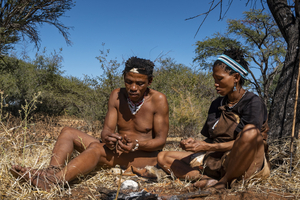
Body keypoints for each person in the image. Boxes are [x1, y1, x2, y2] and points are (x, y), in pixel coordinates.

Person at [10, 56, 169, 190]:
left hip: (145, 156)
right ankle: (52, 172)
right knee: (68, 132)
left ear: (150, 81)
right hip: (118, 150)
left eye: (140, 83)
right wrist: (109, 139)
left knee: (96, 149)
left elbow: (160, 141)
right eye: (129, 82)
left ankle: (54, 183)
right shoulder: (116, 95)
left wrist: (136, 144)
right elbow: (106, 131)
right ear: (124, 78)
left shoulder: (158, 100)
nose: (133, 88)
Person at [157, 48, 270, 191]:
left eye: (220, 79)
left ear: (236, 77)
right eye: (214, 79)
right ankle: (208, 179)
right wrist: (195, 143)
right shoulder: (217, 104)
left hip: (244, 162)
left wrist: (207, 147)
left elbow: (247, 140)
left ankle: (225, 182)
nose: (216, 83)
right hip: (215, 159)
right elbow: (211, 140)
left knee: (251, 132)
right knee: (163, 157)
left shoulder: (253, 102)